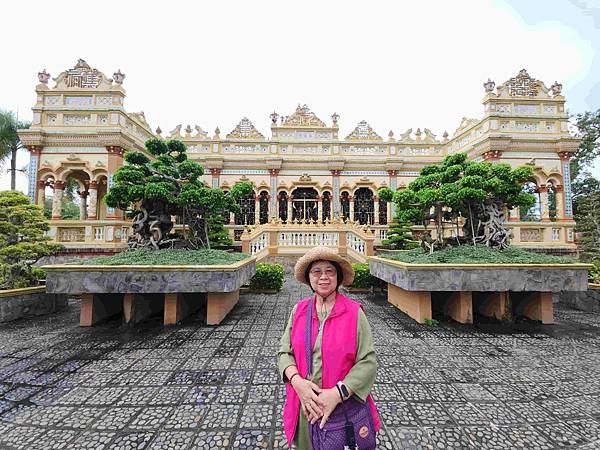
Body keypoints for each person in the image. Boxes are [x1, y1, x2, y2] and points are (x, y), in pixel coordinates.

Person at [278, 246, 380, 449]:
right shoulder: (299, 310)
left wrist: (337, 394)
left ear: (338, 277)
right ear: (309, 278)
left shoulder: (354, 313)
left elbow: (368, 362)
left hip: (341, 407)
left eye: (329, 271)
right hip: (304, 406)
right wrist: (298, 383)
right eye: (316, 271)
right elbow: (284, 353)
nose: (323, 277)